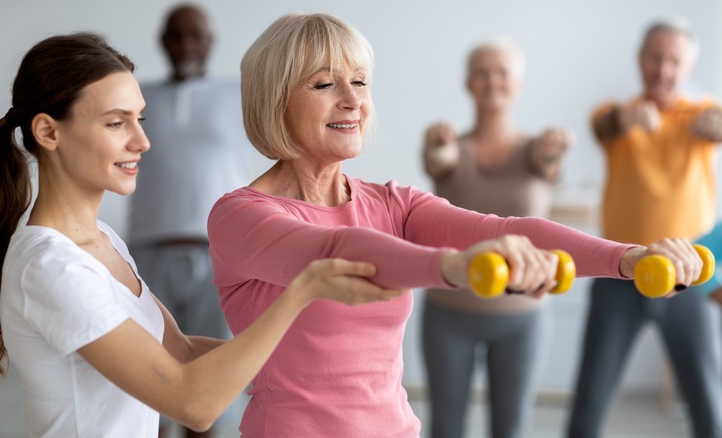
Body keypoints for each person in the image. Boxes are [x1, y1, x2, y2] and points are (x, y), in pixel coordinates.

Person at [207, 13, 705, 438]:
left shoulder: (392, 201)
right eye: (324, 84)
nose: (352, 100)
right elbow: (340, 250)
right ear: (275, 100)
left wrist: (628, 257)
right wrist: (457, 267)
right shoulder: (241, 216)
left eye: (359, 81)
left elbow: (504, 227)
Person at [0, 32, 407, 437]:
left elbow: (182, 351)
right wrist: (302, 291)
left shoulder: (102, 241)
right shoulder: (51, 266)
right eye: (116, 123)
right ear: (48, 131)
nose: (141, 142)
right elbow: (194, 404)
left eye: (140, 120)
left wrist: (329, 374)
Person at [565, 19, 722, 438]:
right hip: (618, 274)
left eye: (674, 61)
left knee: (710, 410)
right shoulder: (615, 117)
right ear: (640, 60)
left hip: (692, 276)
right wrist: (625, 118)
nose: (664, 70)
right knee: (588, 406)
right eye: (656, 58)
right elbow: (604, 125)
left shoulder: (706, 116)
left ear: (688, 67)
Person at [420, 38, 571, 438]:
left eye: (502, 73)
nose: (493, 82)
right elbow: (439, 161)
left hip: (522, 320)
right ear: (468, 83)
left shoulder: (538, 150)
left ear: (519, 83)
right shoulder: (450, 147)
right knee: (445, 428)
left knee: (512, 429)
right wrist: (437, 147)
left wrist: (555, 151)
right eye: (482, 73)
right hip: (448, 315)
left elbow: (550, 164)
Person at [126, 5, 251, 436]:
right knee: (151, 380)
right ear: (163, 41)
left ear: (210, 40)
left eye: (195, 34)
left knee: (209, 379)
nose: (185, 45)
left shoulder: (240, 96)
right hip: (147, 255)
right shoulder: (136, 99)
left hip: (216, 256)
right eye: (176, 36)